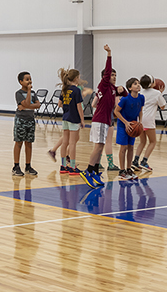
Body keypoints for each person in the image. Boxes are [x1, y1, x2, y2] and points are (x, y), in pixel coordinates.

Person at [80, 46, 118, 188]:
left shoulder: (113, 89)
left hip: (105, 120)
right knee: (98, 147)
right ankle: (88, 171)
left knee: (101, 147)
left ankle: (95, 171)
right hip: (100, 120)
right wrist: (109, 54)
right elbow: (107, 72)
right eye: (111, 75)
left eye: (115, 75)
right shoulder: (104, 85)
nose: (113, 76)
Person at [47, 68, 84, 174]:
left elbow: (59, 104)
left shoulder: (64, 89)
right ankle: (72, 167)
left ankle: (63, 166)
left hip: (65, 118)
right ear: (76, 78)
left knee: (65, 143)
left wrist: (68, 105)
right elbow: (79, 107)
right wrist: (82, 120)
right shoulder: (76, 90)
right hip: (74, 118)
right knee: (72, 143)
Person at [114, 79, 145, 179]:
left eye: (139, 83)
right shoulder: (125, 99)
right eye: (135, 84)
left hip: (133, 125)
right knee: (124, 147)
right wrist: (126, 123)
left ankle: (128, 169)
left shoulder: (141, 97)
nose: (138, 85)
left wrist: (140, 122)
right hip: (123, 125)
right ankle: (121, 170)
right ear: (130, 88)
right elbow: (116, 111)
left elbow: (140, 110)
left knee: (131, 147)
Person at [11, 71, 39, 177]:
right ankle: (16, 166)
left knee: (29, 143)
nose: (30, 81)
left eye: (30, 79)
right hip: (21, 120)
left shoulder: (33, 93)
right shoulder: (18, 93)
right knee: (19, 142)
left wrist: (27, 106)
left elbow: (38, 105)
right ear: (21, 81)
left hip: (30, 119)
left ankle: (28, 166)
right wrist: (28, 93)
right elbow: (27, 103)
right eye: (27, 79)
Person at [135, 74, 164, 171]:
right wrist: (160, 93)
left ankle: (135, 161)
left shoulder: (140, 93)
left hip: (139, 119)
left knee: (142, 142)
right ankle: (144, 161)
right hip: (148, 120)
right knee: (153, 141)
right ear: (152, 83)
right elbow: (163, 106)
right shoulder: (157, 93)